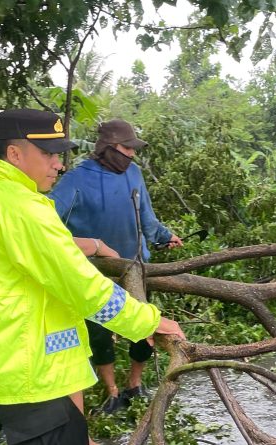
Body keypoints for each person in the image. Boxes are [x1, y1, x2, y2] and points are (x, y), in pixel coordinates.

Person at [0, 109, 184, 445]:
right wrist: (148, 321)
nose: (58, 164)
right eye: (47, 154)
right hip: (22, 370)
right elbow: (82, 286)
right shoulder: (23, 208)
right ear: (14, 154)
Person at [49, 119, 182, 414]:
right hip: (93, 272)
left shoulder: (133, 173)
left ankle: (134, 383)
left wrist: (163, 236)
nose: (131, 155)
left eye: (133, 149)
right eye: (126, 148)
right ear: (107, 148)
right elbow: (46, 223)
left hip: (134, 265)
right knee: (97, 330)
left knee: (145, 325)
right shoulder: (76, 180)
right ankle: (111, 390)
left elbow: (146, 216)